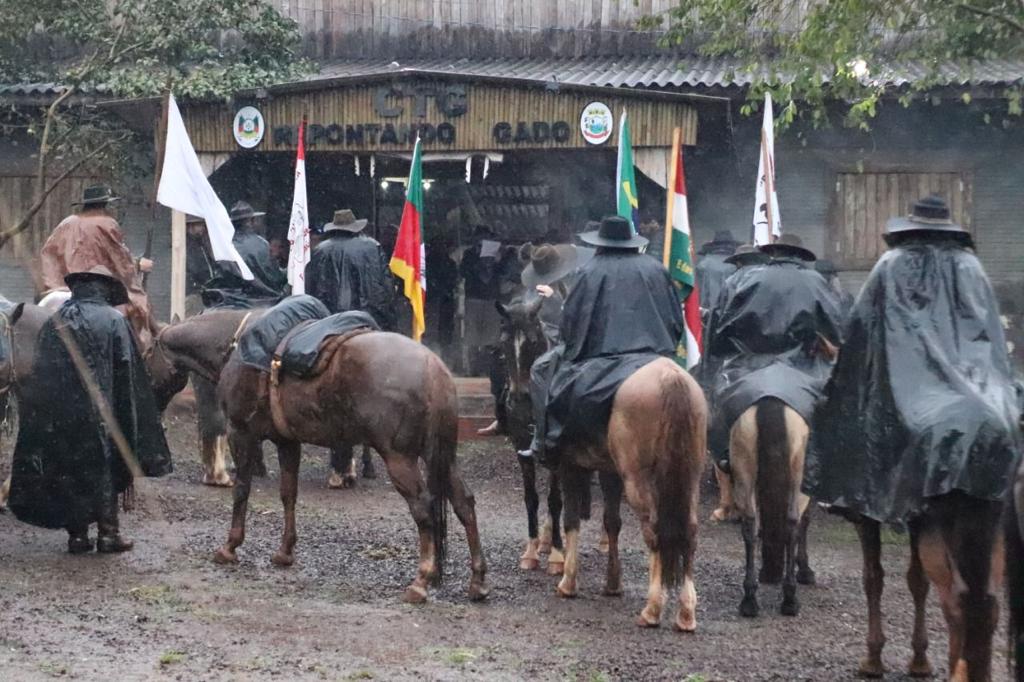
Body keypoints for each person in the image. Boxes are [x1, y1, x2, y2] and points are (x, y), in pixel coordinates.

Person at [804, 195, 1020, 525]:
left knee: (845, 416)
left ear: (910, 225)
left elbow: (860, 333)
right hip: (982, 390)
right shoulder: (971, 266)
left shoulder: (890, 264)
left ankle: (851, 499)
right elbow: (991, 340)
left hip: (912, 397)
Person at [7, 265, 173, 554]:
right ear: (106, 289)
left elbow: (42, 372)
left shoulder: (56, 321)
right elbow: (127, 371)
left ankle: (78, 536)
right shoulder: (114, 320)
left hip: (63, 417)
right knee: (106, 470)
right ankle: (108, 534)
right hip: (104, 416)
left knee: (70, 470)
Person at [700, 234, 844, 522]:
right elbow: (837, 336)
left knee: (714, 407)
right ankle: (823, 469)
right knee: (834, 412)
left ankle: (725, 455)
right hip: (802, 369)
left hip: (749, 368)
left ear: (772, 253)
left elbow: (717, 336)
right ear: (800, 255)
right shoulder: (817, 282)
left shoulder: (742, 280)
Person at [544, 216, 683, 463]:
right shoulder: (657, 269)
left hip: (602, 359)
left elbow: (571, 321)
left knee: (552, 385)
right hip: (655, 356)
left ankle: (549, 444)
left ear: (599, 243)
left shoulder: (588, 272)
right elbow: (675, 320)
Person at [40, 184, 156, 348]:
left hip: (61, 287)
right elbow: (120, 261)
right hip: (95, 290)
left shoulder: (65, 223)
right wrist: (138, 265)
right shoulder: (107, 223)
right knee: (140, 308)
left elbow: (48, 254)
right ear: (105, 205)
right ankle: (141, 354)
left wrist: (56, 285)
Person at [514, 242, 593, 461]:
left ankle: (540, 439)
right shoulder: (536, 285)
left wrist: (556, 299)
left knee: (539, 370)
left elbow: (579, 314)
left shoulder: (576, 280)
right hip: (543, 330)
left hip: (571, 337)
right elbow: (527, 304)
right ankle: (506, 414)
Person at [305, 209, 395, 330]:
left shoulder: (320, 250)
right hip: (368, 316)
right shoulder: (372, 247)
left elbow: (311, 286)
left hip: (330, 318)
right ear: (355, 226)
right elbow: (386, 284)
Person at [225, 201, 287, 296]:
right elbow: (275, 276)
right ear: (251, 221)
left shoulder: (226, 247)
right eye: (254, 220)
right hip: (264, 299)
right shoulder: (262, 244)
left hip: (236, 299)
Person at [695, 229, 740, 320]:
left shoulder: (703, 265)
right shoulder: (737, 265)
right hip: (731, 316)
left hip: (706, 314)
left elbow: (697, 292)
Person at [185, 215, 215, 317]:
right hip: (193, 294)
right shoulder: (188, 245)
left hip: (202, 293)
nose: (202, 228)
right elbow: (196, 269)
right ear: (190, 226)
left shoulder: (200, 243)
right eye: (199, 225)